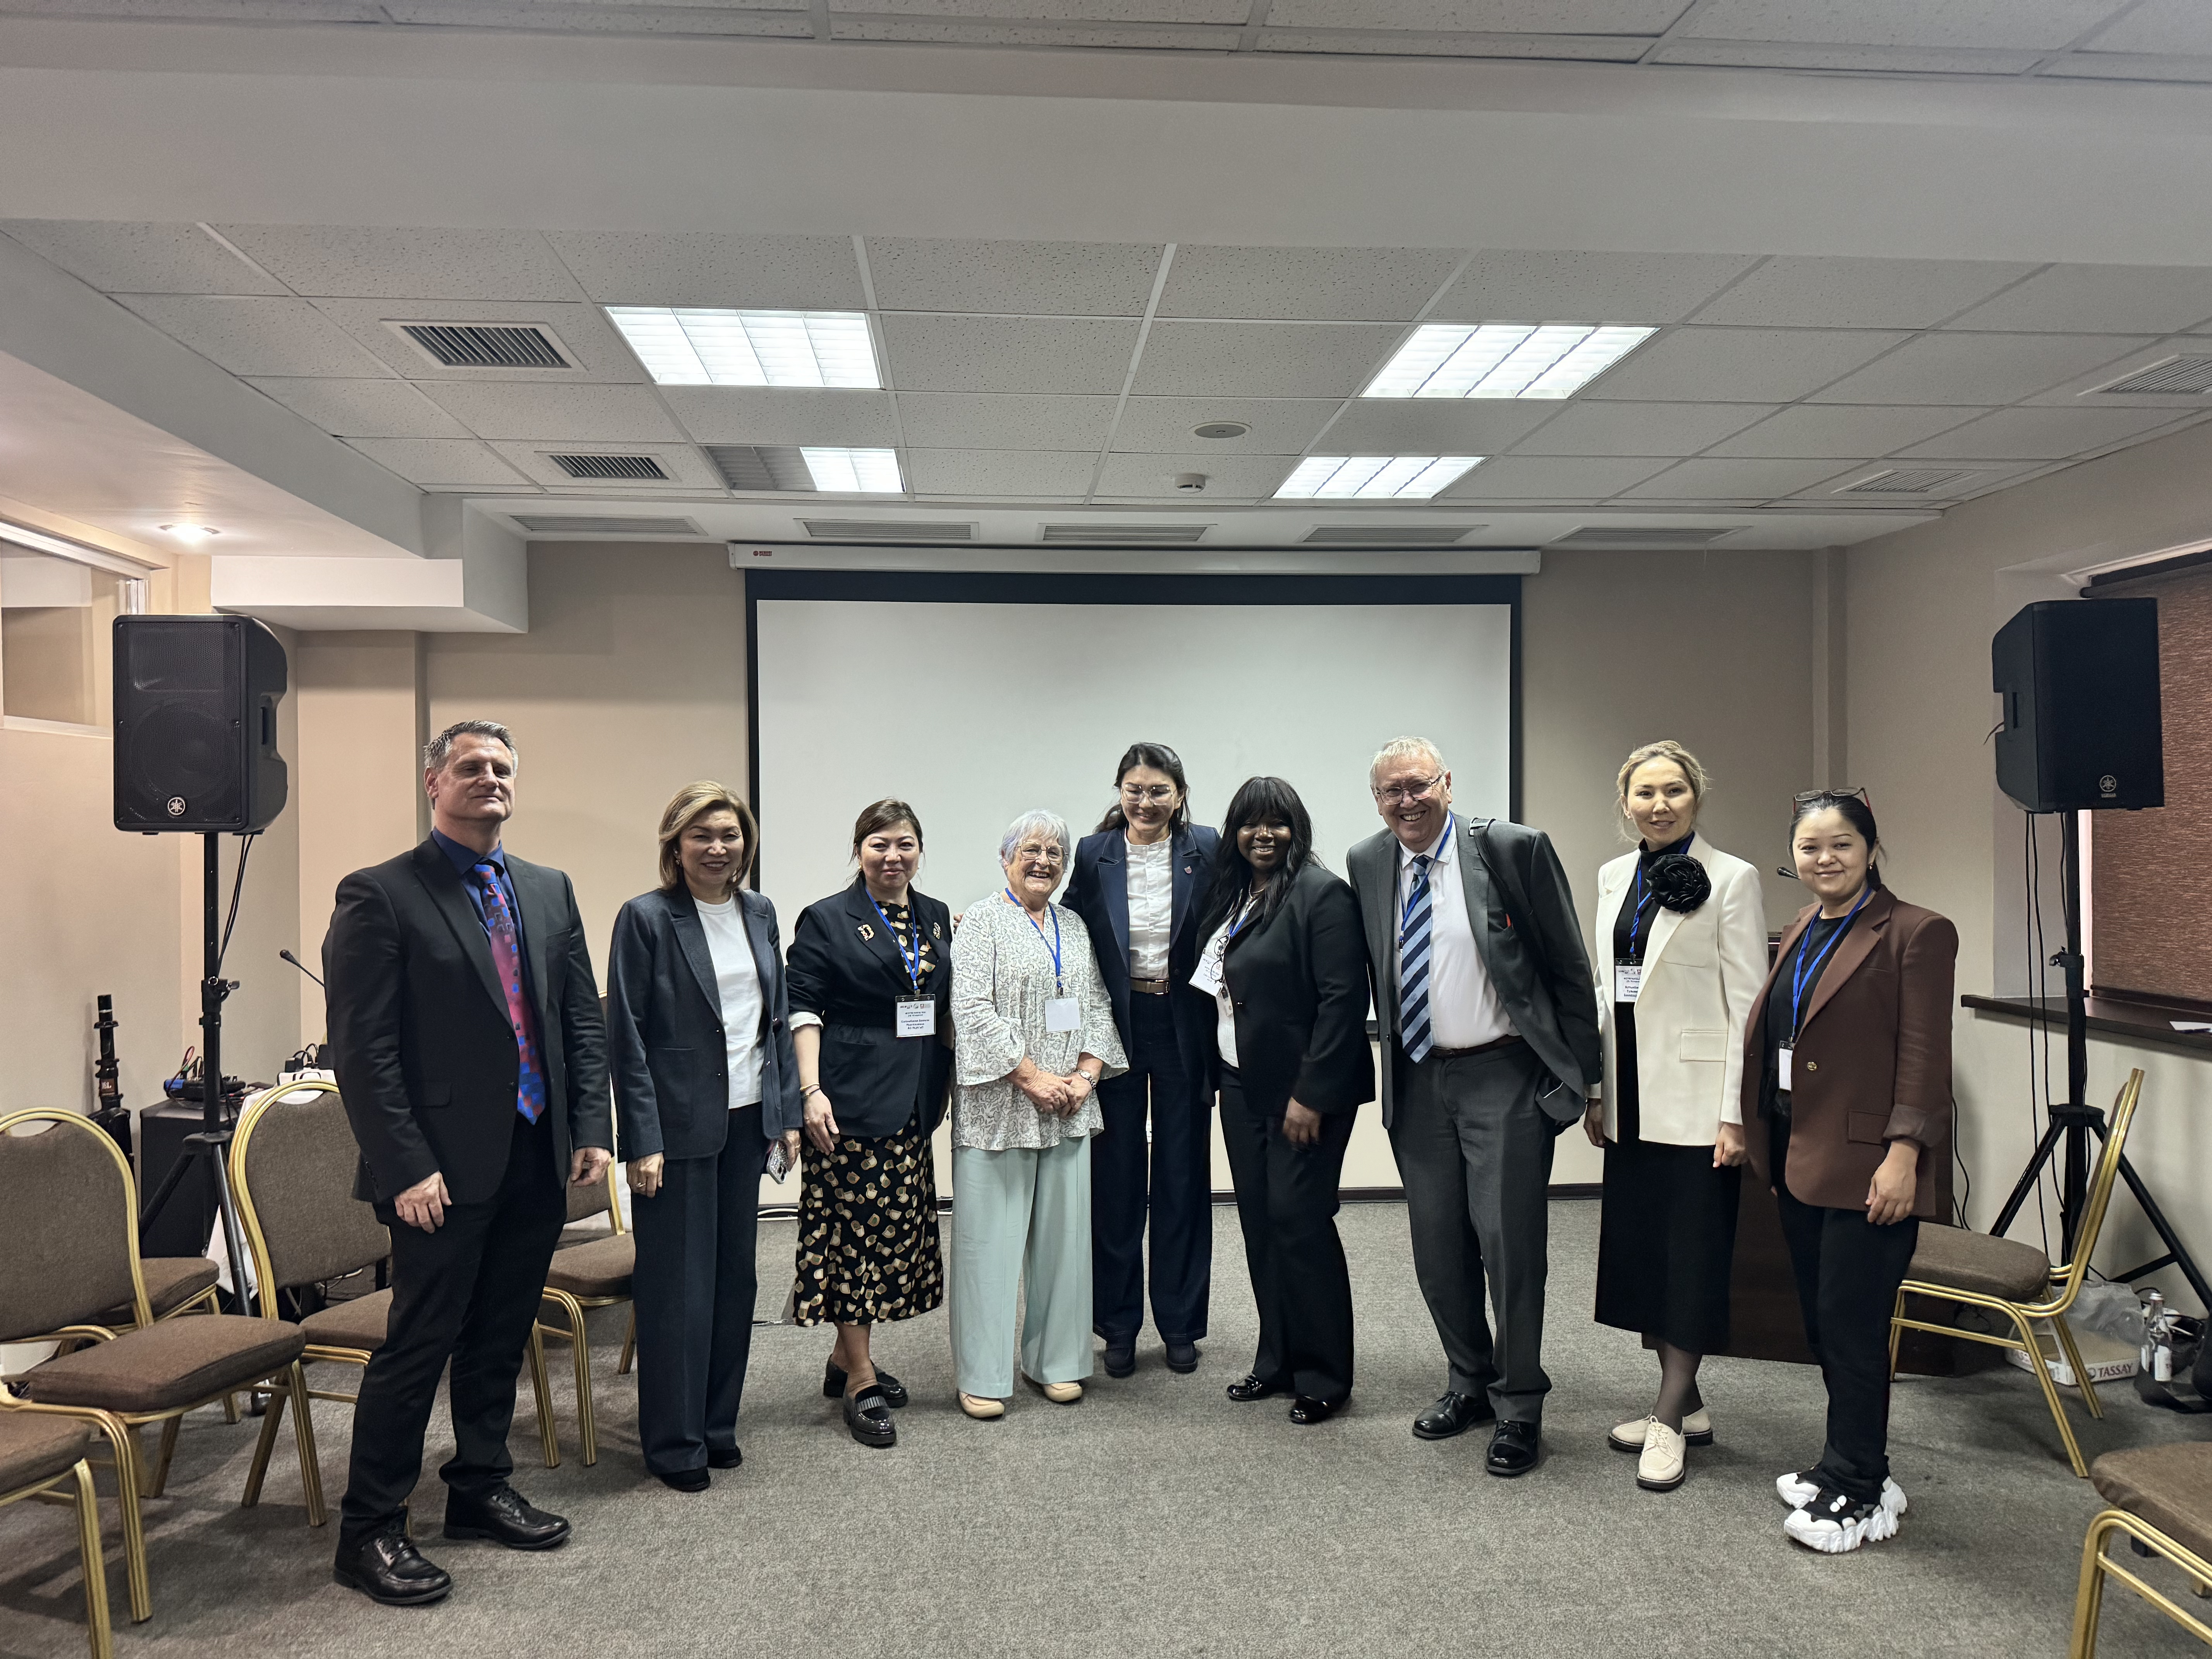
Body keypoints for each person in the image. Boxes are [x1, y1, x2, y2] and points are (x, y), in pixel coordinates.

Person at [323, 719, 612, 1606]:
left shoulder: (548, 889)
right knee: (420, 1344)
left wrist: (590, 1126)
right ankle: (370, 1528)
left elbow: (580, 1019)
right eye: (471, 766)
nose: (489, 778)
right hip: (437, 1171)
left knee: (500, 1335)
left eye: (502, 768)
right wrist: (404, 1165)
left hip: (534, 1153)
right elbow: (363, 1051)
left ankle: (479, 1486)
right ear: (433, 783)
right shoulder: (381, 894)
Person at [1345, 736, 1599, 1478]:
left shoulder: (1511, 849)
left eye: (1419, 785)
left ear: (1448, 783)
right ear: (1377, 802)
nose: (1407, 802)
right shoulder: (1367, 862)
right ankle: (1468, 1382)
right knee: (1437, 1247)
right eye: (1391, 792)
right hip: (1419, 1077)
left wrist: (1587, 1081)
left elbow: (1568, 967)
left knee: (1508, 1246)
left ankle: (1519, 1403)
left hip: (1503, 1073)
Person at [1741, 789, 1955, 1555]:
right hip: (1802, 1154)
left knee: (1855, 1330)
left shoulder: (1917, 932)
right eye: (1810, 847)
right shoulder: (1806, 923)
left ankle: (1858, 1490)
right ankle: (1852, 1462)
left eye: (1841, 844)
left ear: (1870, 849)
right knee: (1825, 1326)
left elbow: (1926, 1055)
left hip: (1872, 1166)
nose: (1824, 858)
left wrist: (1906, 1154)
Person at [1582, 741, 1765, 1493]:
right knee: (1645, 1259)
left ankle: (1666, 1419)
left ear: (1697, 797)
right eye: (1645, 793)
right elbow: (1606, 990)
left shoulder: (1734, 879)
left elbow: (1749, 1006)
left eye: (1674, 791)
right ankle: (1688, 1403)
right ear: (1625, 803)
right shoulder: (1611, 875)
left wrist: (1736, 1116)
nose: (1659, 805)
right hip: (1631, 1099)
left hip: (1698, 1106)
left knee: (1689, 1263)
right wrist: (1598, 1091)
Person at [606, 782, 800, 1491]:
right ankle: (675, 1442)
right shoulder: (647, 918)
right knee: (677, 1291)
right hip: (677, 1131)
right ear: (676, 845)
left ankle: (718, 1426)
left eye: (730, 835)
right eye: (702, 836)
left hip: (747, 1123)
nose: (718, 848)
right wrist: (642, 1139)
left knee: (734, 1283)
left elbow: (775, 1020)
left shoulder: (761, 912)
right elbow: (626, 1036)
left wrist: (784, 1116)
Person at [1194, 777, 1373, 1425]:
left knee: (1300, 1222)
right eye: (1250, 824)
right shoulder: (1234, 895)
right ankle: (1278, 1361)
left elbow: (1343, 1001)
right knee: (1262, 1225)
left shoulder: (1322, 895)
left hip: (1302, 1094)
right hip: (1241, 1085)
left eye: (1277, 823)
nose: (1262, 835)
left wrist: (1311, 1095)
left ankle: (1325, 1376)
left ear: (1297, 829)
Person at [783, 800, 957, 1450]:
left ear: (920, 850)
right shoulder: (828, 918)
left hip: (913, 1097)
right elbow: (802, 1008)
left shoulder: (935, 915)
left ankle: (844, 1357)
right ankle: (860, 1377)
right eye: (879, 844)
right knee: (852, 1239)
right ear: (859, 850)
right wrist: (811, 1092)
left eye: (905, 844)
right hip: (848, 1101)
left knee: (890, 1235)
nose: (892, 856)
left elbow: (940, 1001)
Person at [948, 811, 1125, 1419]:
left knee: (1064, 1246)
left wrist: (1085, 1077)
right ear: (1006, 859)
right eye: (1031, 850)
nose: (1044, 861)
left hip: (1069, 1107)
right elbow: (971, 1010)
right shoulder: (981, 923)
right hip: (1000, 1107)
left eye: (1055, 852)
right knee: (989, 1249)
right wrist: (1030, 1077)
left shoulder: (1073, 925)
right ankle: (982, 1375)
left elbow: (1096, 1002)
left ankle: (1057, 1361)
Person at [1064, 743, 1220, 1378]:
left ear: (1179, 795)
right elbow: (1065, 926)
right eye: (1134, 790)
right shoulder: (1092, 852)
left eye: (1159, 790)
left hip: (1184, 1027)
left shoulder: (1207, 848)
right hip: (1117, 1026)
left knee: (1183, 1177)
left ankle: (1180, 1324)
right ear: (1120, 792)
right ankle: (1119, 1325)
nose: (1146, 802)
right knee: (1116, 1179)